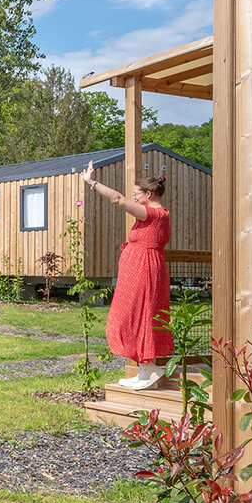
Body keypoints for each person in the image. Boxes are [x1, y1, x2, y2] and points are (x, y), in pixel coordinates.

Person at [82, 160, 173, 390]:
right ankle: (145, 370)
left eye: (137, 194)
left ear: (149, 194)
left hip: (145, 271)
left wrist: (91, 182)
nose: (134, 198)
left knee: (138, 316)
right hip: (138, 271)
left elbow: (118, 199)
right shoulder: (151, 215)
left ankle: (150, 369)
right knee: (135, 317)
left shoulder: (155, 214)